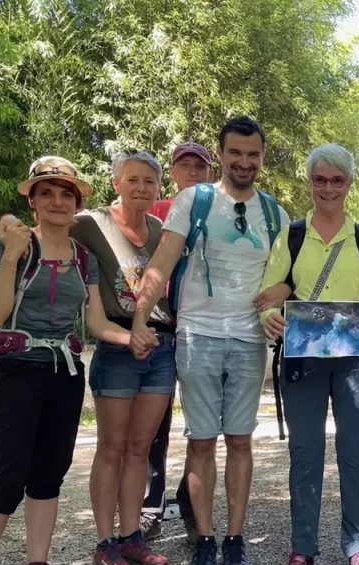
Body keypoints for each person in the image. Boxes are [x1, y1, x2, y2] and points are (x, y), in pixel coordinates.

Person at [0, 157, 131, 565]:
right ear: (32, 201)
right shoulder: (16, 245)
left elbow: (95, 321)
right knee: (5, 478)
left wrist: (134, 337)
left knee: (48, 476)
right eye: (46, 193)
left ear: (76, 203)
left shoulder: (84, 258)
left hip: (64, 374)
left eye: (66, 193)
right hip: (17, 371)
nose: (57, 201)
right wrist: (11, 253)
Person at [132, 117, 289, 565]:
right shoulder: (194, 200)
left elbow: (289, 274)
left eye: (253, 154)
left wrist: (283, 289)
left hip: (249, 339)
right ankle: (204, 541)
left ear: (262, 157)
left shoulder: (274, 213)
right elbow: (161, 263)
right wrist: (140, 318)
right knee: (201, 441)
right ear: (221, 155)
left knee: (240, 440)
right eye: (235, 153)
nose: (244, 162)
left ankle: (234, 541)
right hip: (197, 334)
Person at [255, 145, 359, 565]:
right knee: (305, 452)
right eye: (321, 180)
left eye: (337, 180)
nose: (329, 188)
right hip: (304, 357)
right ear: (311, 182)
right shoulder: (291, 237)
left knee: (355, 450)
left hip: (356, 359)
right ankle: (302, 550)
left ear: (349, 183)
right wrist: (269, 317)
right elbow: (268, 292)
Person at [141, 142, 214, 542]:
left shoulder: (219, 211)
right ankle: (150, 506)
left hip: (202, 327)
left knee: (200, 425)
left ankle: (190, 503)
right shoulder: (155, 212)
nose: (193, 172)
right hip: (162, 325)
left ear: (210, 173)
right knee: (155, 424)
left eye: (199, 167)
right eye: (185, 165)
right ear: (172, 172)